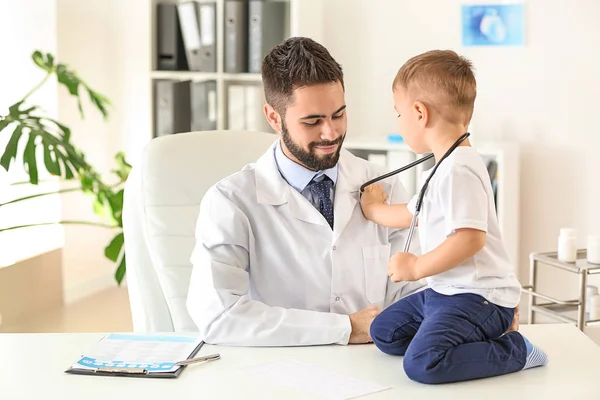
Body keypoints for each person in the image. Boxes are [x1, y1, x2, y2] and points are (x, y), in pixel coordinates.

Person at [185, 37, 425, 346]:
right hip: (278, 371)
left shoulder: (383, 185)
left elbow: (415, 289)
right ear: (274, 117)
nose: (331, 132)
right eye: (312, 121)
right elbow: (218, 315)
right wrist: (344, 328)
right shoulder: (231, 202)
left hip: (373, 366)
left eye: (338, 115)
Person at [360, 50, 547, 384]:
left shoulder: (460, 169)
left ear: (419, 113)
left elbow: (470, 238)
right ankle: (475, 336)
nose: (398, 121)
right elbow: (410, 213)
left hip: (479, 296)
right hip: (445, 292)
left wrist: (415, 267)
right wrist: (373, 209)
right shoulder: (443, 167)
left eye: (398, 113)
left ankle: (517, 350)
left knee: (423, 364)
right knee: (384, 333)